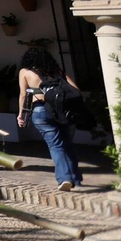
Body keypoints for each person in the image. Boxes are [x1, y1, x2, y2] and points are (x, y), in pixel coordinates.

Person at [17, 46, 84, 191]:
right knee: (67, 144)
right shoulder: (58, 72)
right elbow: (77, 91)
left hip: (40, 110)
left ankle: (64, 178)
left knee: (55, 145)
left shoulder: (25, 72)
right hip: (62, 111)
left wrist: (21, 114)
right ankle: (76, 178)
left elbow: (23, 95)